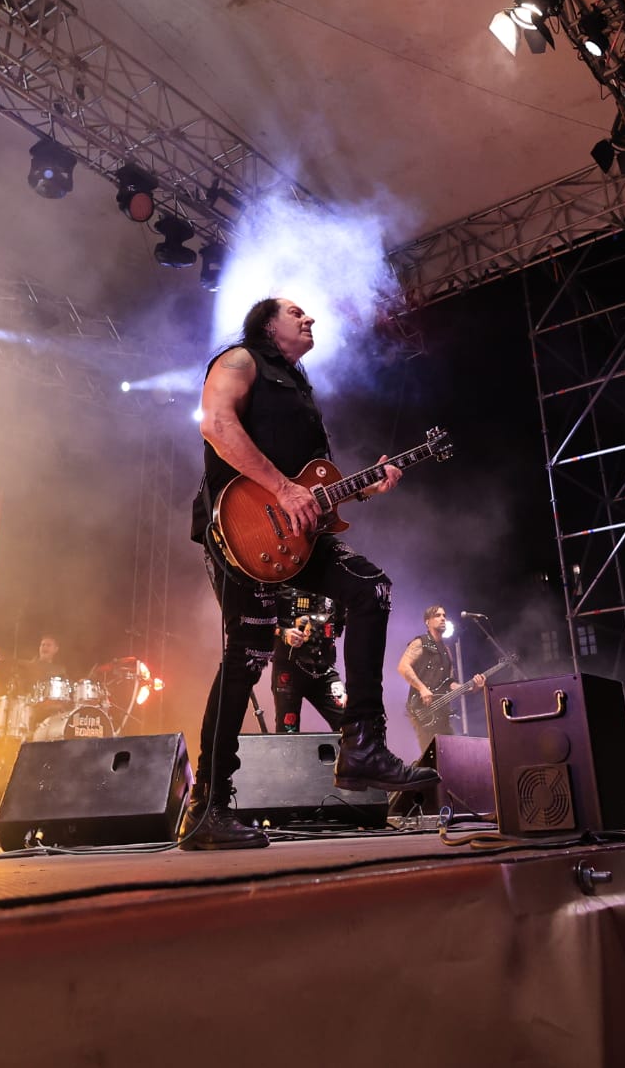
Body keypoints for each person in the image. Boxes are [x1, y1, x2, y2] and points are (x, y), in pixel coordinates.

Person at [184, 297, 436, 849]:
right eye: (296, 312)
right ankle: (208, 809)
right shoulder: (239, 360)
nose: (310, 319)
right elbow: (217, 426)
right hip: (241, 526)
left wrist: (362, 486)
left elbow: (313, 486)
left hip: (295, 538)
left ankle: (363, 744)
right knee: (246, 657)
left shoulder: (301, 388)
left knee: (372, 590)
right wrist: (283, 488)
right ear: (266, 324)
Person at [400, 605, 484, 755]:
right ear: (428, 622)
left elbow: (449, 683)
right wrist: (422, 688)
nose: (443, 618)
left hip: (442, 711)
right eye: (437, 615)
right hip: (422, 709)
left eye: (444, 615)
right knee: (432, 755)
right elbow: (403, 667)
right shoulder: (420, 643)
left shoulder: (447, 651)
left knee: (452, 754)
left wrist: (472, 687)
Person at [270, 617, 345, 734]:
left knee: (348, 723)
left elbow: (340, 623)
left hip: (323, 668)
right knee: (289, 731)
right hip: (289, 668)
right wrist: (284, 632)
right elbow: (262, 621)